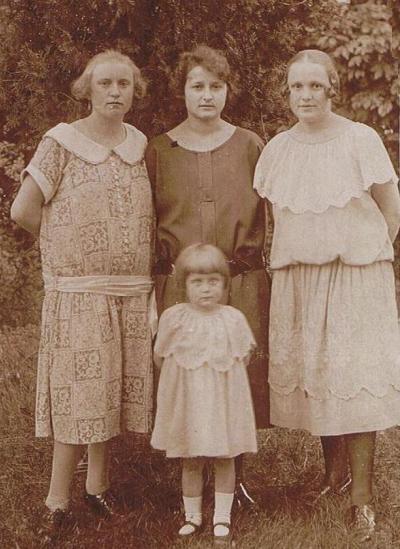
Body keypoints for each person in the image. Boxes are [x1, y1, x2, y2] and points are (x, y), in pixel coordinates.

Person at [254, 49, 400, 542]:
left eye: (316, 85)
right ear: (287, 92)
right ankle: (333, 478)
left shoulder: (361, 139)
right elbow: (276, 221)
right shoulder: (277, 149)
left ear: (332, 88)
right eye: (297, 87)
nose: (306, 95)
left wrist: (366, 256)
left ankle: (363, 501)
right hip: (300, 279)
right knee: (319, 374)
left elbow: (390, 209)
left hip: (356, 278)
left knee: (354, 379)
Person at [11, 50, 154, 538]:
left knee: (109, 392)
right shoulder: (62, 142)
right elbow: (23, 210)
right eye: (105, 84)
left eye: (124, 84)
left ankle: (97, 488)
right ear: (87, 90)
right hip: (79, 293)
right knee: (80, 398)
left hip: (130, 293)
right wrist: (63, 248)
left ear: (135, 92)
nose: (115, 92)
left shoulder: (139, 144)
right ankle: (57, 502)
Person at [145, 44, 270, 503]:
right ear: (182, 91)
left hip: (239, 282)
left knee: (236, 378)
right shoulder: (160, 149)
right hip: (182, 288)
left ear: (227, 91)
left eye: (216, 86)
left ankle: (234, 481)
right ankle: (189, 485)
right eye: (197, 86)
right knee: (188, 380)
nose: (206, 96)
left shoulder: (250, 144)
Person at [151, 243, 257, 543]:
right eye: (197, 282)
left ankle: (222, 516)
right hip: (190, 403)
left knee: (225, 457)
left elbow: (244, 358)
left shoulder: (232, 319)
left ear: (224, 283)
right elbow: (160, 356)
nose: (206, 289)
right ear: (184, 284)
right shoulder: (174, 318)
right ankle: (193, 516)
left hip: (222, 402)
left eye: (213, 281)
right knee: (192, 458)